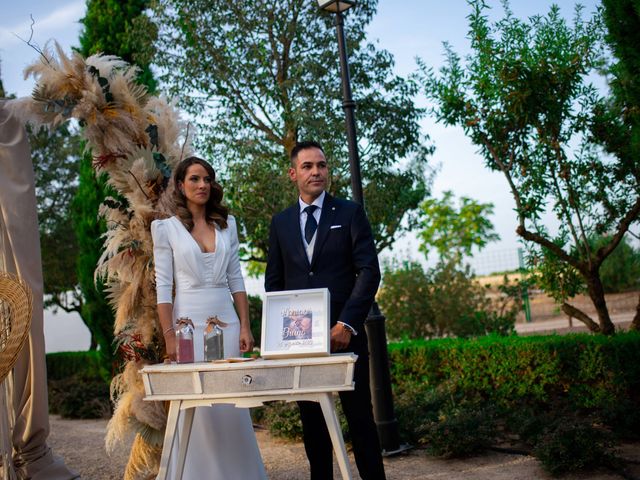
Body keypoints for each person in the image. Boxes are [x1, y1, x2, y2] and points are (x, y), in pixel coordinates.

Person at [265, 141, 386, 479]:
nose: (316, 171)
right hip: (301, 342)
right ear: (293, 173)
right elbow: (274, 283)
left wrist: (347, 324)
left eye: (321, 165)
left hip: (347, 335)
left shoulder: (350, 213)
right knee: (313, 423)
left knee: (360, 417)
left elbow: (370, 271)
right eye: (307, 166)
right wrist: (284, 334)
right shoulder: (281, 223)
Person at [151, 156, 266, 479]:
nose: (202, 185)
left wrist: (245, 325)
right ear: (180, 185)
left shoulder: (227, 226)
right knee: (194, 405)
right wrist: (169, 335)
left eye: (207, 179)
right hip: (187, 327)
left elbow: (237, 279)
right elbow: (163, 287)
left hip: (226, 326)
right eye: (195, 179)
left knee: (230, 404)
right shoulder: (165, 229)